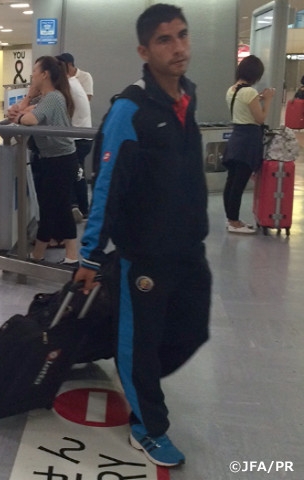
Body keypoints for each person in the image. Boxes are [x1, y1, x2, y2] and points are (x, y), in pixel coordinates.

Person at [74, 4, 211, 468]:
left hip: (189, 248)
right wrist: (90, 257)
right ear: (144, 50)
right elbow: (106, 187)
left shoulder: (185, 96)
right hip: (145, 256)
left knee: (193, 329)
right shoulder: (129, 111)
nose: (178, 47)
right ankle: (147, 425)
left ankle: (137, 373)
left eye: (182, 36)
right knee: (141, 343)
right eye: (165, 40)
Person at [7, 56, 79, 268]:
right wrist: (27, 98)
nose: (32, 75)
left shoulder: (53, 98)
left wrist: (19, 116)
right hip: (50, 160)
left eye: (35, 71)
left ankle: (72, 256)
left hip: (61, 160)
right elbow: (20, 111)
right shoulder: (44, 98)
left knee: (61, 209)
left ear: (44, 74)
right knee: (48, 209)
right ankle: (37, 255)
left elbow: (30, 119)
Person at [222, 55, 274, 234]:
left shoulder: (232, 89)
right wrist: (267, 100)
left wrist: (258, 98)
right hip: (248, 141)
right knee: (239, 183)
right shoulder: (249, 92)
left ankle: (231, 219)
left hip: (236, 137)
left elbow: (243, 107)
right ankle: (235, 222)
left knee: (232, 181)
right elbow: (260, 119)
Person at [56, 54, 93, 222]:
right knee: (78, 173)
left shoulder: (71, 83)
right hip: (80, 137)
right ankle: (80, 207)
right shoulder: (73, 83)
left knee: (75, 173)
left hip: (79, 137)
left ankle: (76, 207)